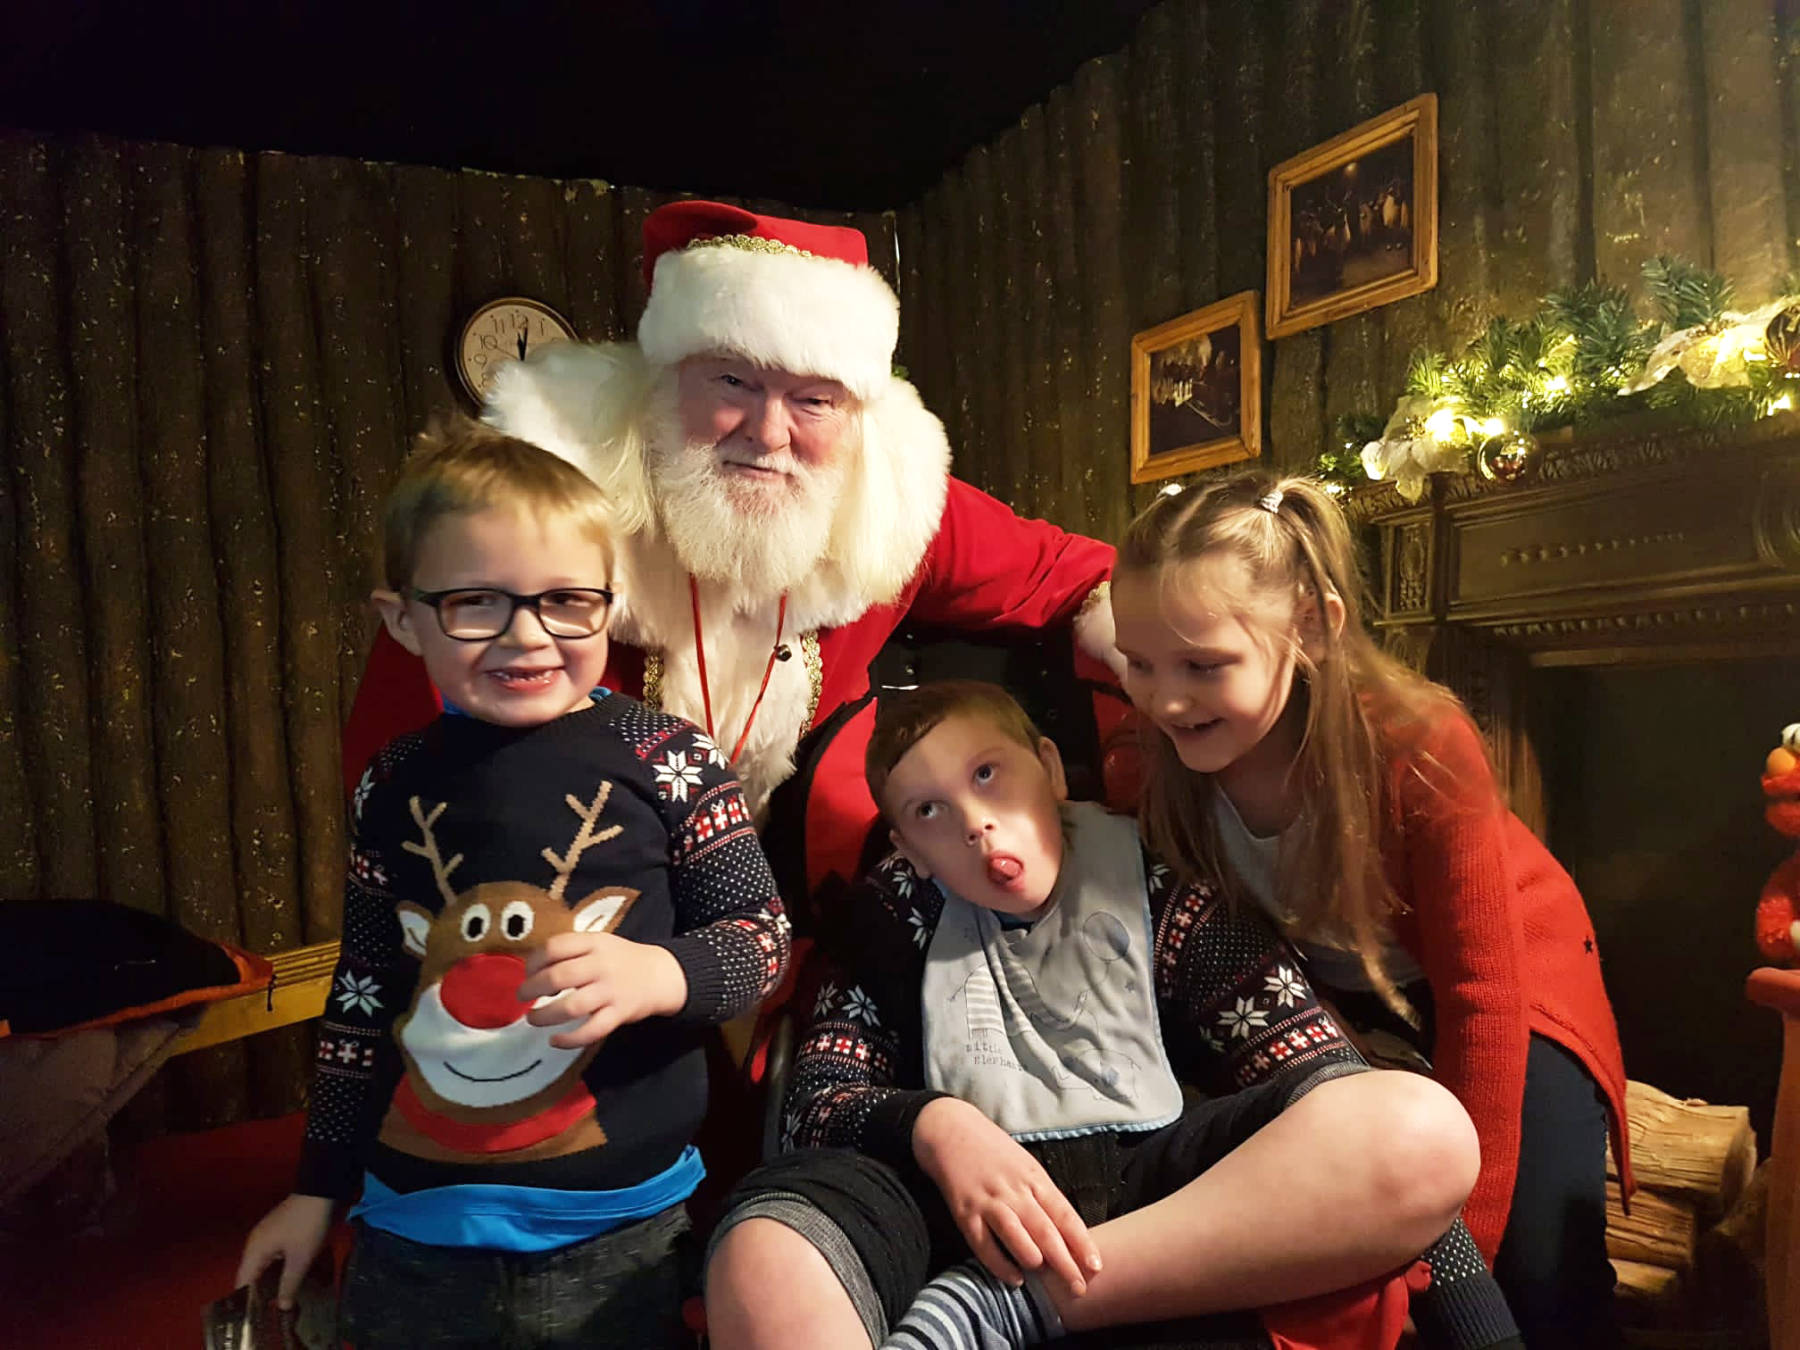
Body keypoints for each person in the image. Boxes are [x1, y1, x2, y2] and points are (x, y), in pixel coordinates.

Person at [343, 201, 1119, 916]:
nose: (770, 433)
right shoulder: (530, 516)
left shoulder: (891, 501)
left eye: (813, 400)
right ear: (666, 377)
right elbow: (398, 769)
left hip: (763, 914)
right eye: (733, 381)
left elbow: (1074, 574)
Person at [704, 680, 1522, 1350]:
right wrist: (937, 1126)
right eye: (928, 812)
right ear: (907, 848)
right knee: (762, 1252)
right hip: (952, 1202)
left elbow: (1316, 1076)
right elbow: (816, 1108)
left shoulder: (1164, 887)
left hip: (1153, 1199)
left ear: (1051, 767)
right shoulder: (890, 919)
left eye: (987, 774)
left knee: (1417, 1128)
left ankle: (1019, 1307)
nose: (972, 822)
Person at [235, 419, 792, 1349]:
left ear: (608, 606)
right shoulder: (390, 780)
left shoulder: (671, 757)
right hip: (411, 1231)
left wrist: (659, 974)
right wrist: (315, 1187)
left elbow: (761, 936)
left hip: (623, 1229)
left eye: (565, 600)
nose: (527, 635)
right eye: (476, 603)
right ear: (404, 619)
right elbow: (364, 1000)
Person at [1109, 472, 1630, 1348]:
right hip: (1340, 1009)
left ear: (1312, 626)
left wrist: (1465, 1258)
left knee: (1543, 1272)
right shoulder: (1154, 766)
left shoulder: (1420, 745)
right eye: (1140, 663)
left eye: (1202, 666)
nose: (1164, 699)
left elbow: (1484, 1000)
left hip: (1512, 987)